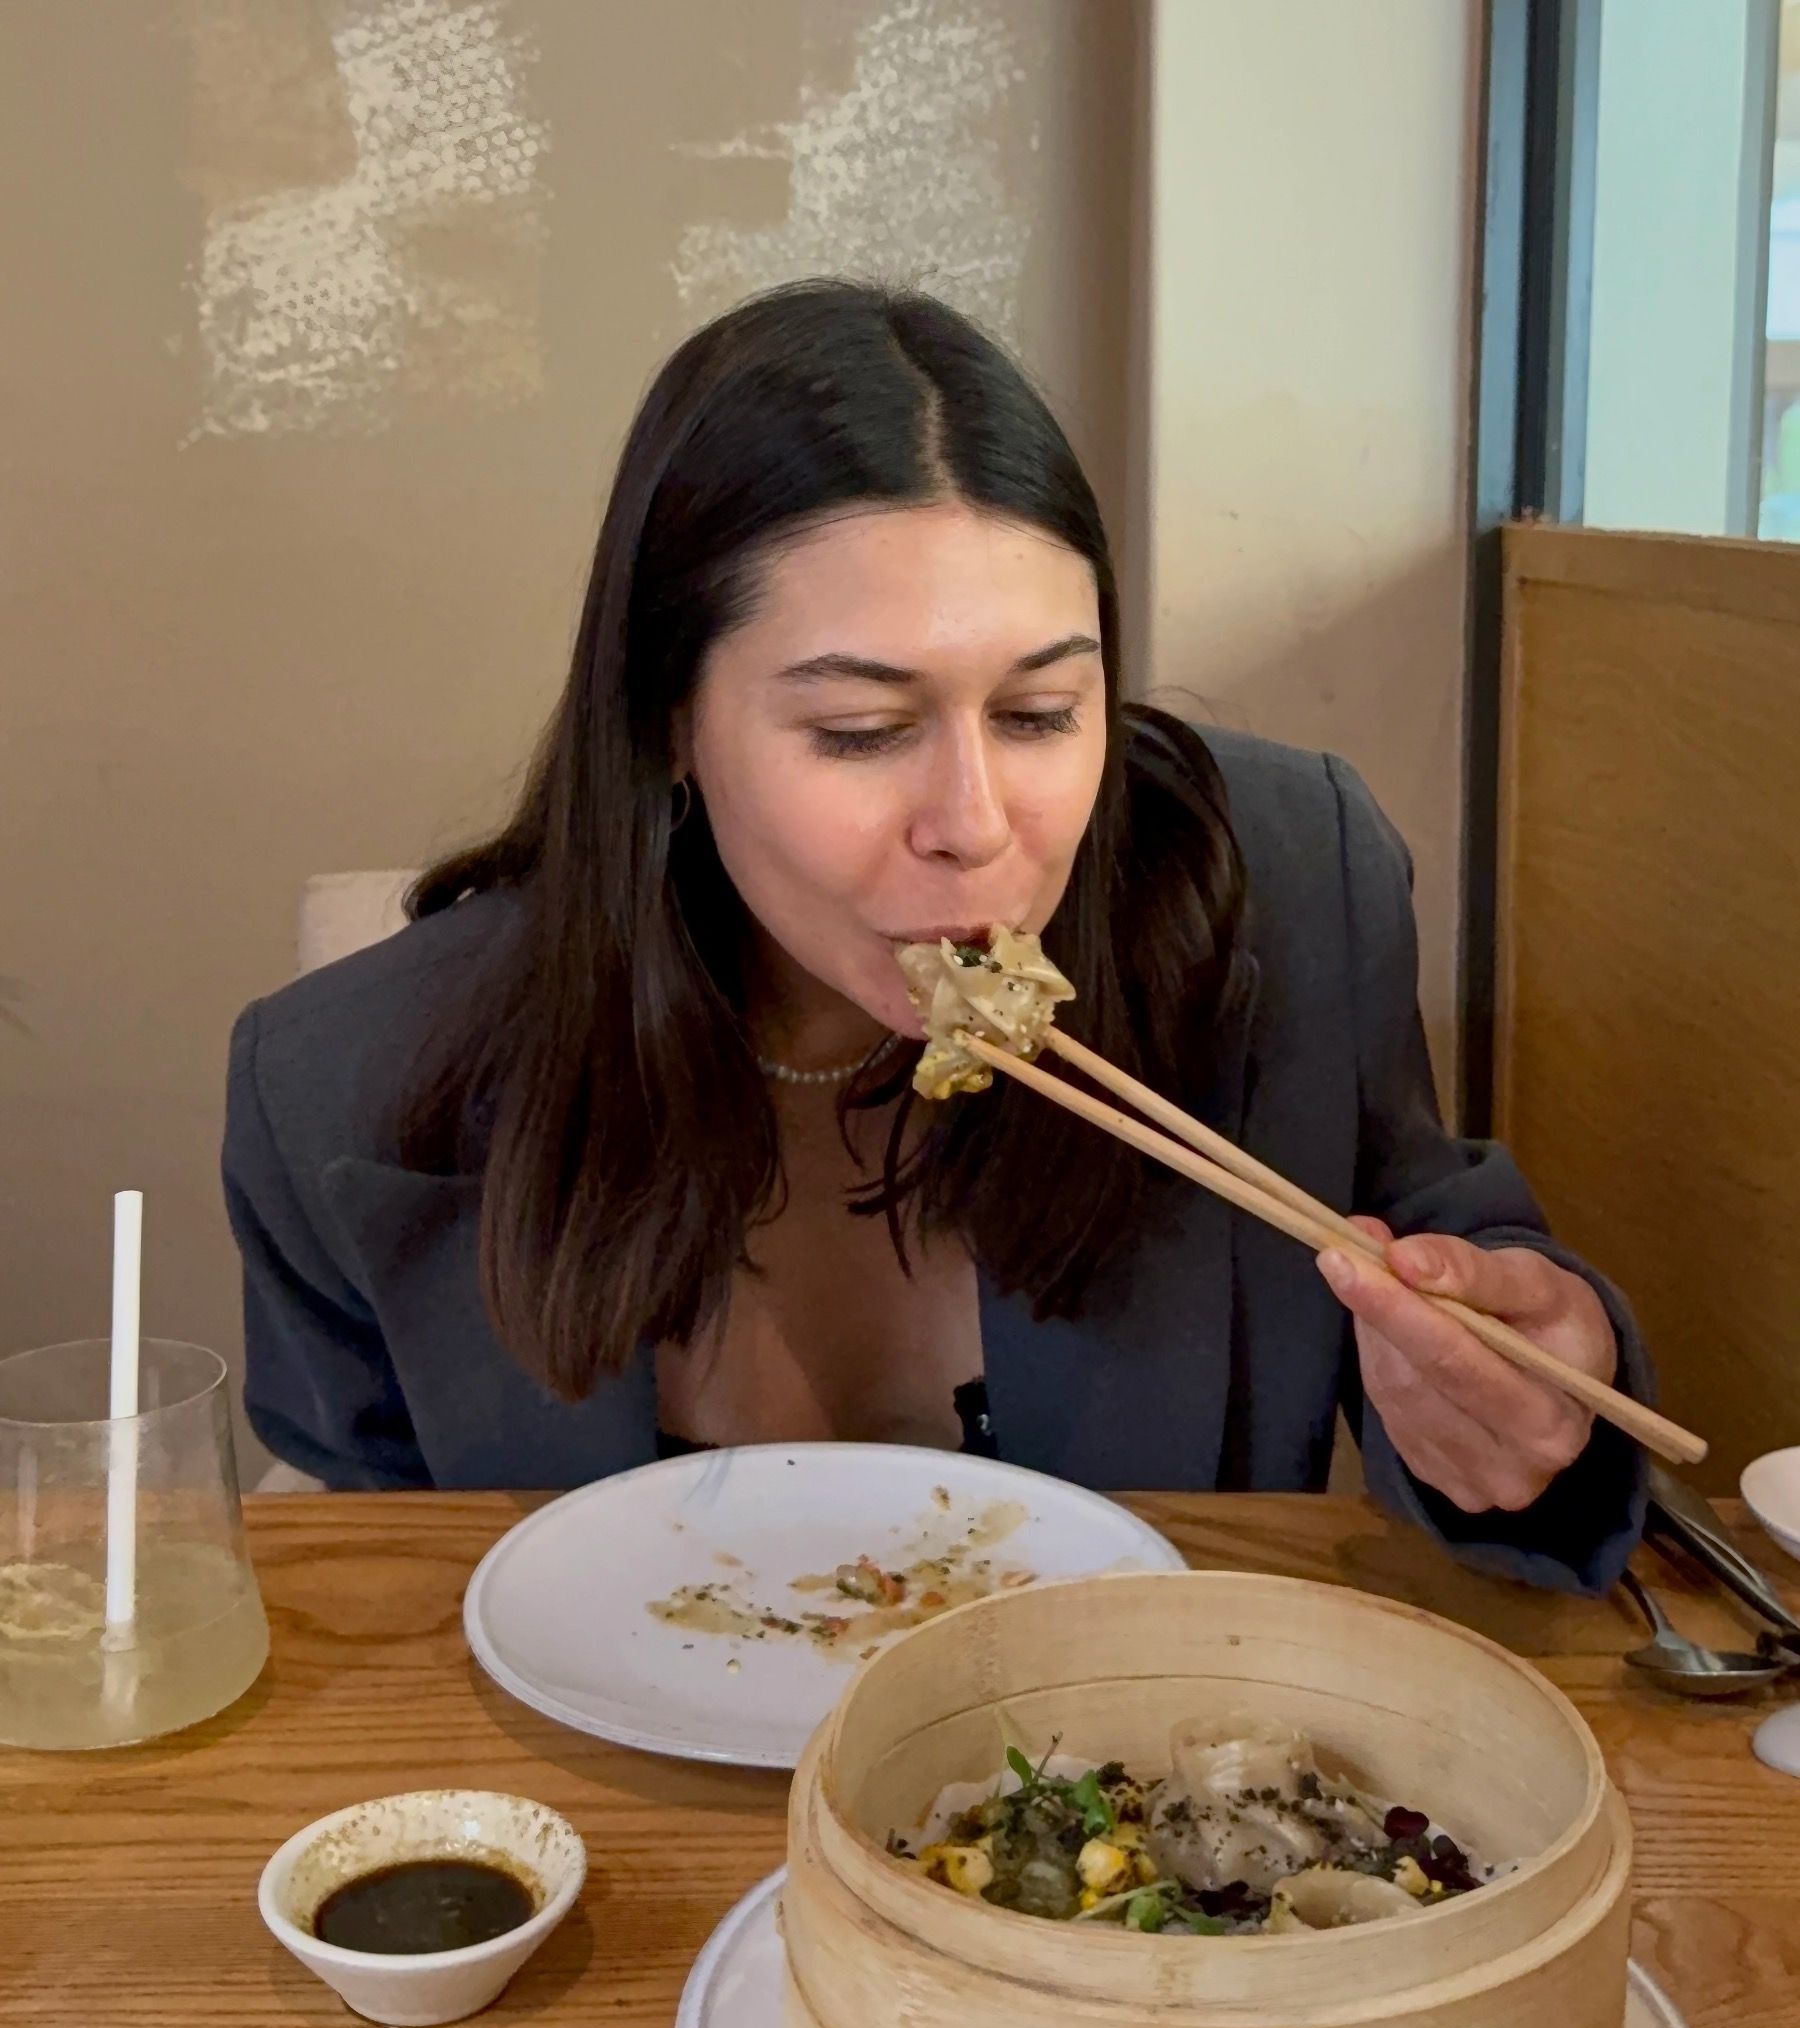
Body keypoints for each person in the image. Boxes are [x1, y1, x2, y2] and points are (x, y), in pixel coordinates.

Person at [223, 279, 1648, 1594]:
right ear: (669, 722)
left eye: (1039, 714)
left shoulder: (1280, 891)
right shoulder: (343, 1087)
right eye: (859, 731)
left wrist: (1520, 1406)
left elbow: (1451, 1270)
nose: (972, 823)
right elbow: (372, 1588)